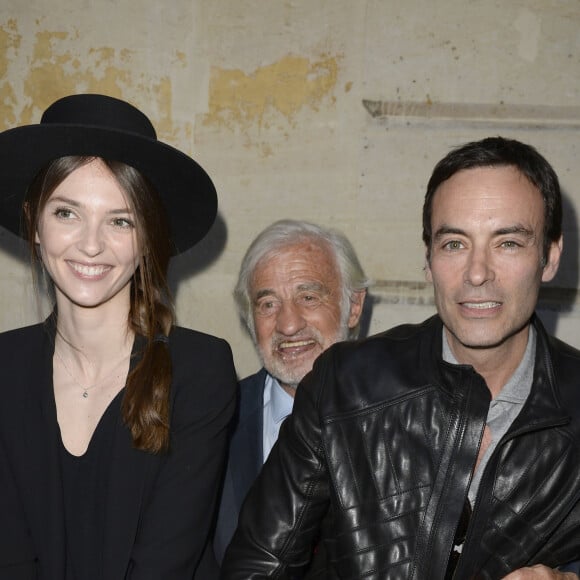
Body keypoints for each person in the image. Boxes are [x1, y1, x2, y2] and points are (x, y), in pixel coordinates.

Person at [221, 137, 580, 579]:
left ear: (550, 257)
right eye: (454, 244)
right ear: (428, 259)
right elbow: (257, 567)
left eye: (507, 243)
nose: (477, 273)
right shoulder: (344, 384)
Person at [0, 93, 237, 579]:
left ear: (146, 236)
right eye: (66, 213)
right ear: (35, 223)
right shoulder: (3, 366)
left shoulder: (200, 370)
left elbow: (162, 566)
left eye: (120, 220)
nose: (90, 244)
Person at [207, 219, 369, 572]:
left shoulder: (408, 419)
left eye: (308, 297)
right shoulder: (211, 421)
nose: (288, 324)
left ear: (353, 306)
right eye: (267, 304)